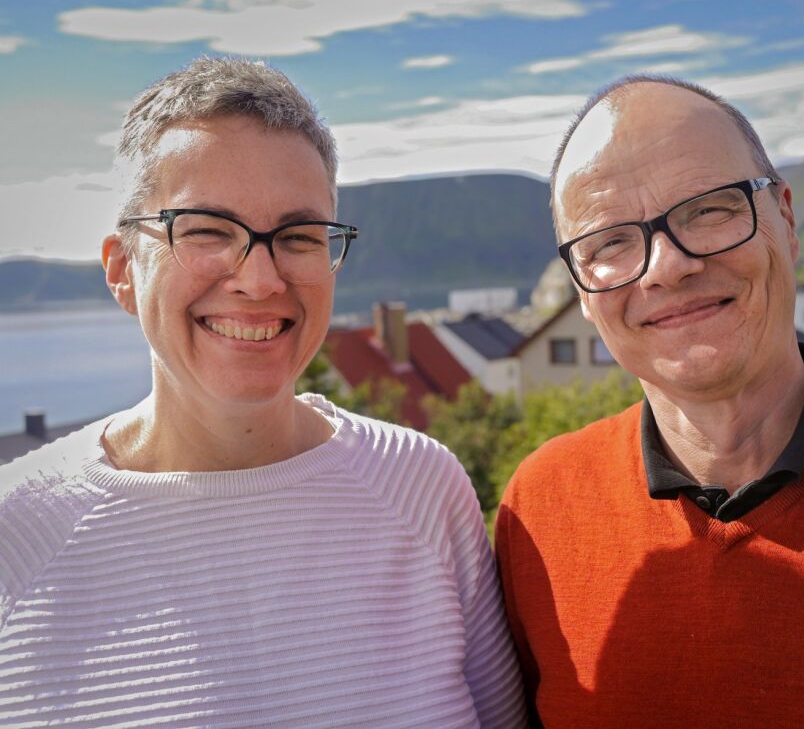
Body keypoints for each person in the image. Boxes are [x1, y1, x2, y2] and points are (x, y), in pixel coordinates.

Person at [0, 57, 526, 728]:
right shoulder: (18, 531)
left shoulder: (420, 487)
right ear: (122, 268)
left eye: (298, 236)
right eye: (207, 230)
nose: (259, 278)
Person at [495, 74, 804, 728]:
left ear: (784, 216)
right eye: (609, 241)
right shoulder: (540, 510)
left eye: (708, 209)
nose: (666, 265)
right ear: (582, 290)